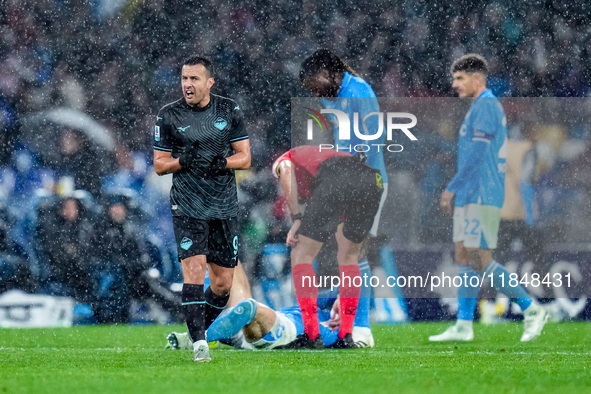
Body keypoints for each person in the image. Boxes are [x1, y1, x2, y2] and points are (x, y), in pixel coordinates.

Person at [429, 54, 549, 343]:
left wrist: (452, 186)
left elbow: (478, 154)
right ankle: (463, 325)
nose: (454, 84)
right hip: (471, 193)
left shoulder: (486, 106)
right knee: (463, 254)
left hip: (482, 193)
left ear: (477, 79)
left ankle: (531, 309)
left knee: (480, 258)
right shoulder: (476, 107)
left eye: (459, 78)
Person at [299, 49, 406, 335]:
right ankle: (348, 318)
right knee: (345, 254)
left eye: (316, 81)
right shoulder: (329, 96)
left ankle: (361, 327)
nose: (315, 89)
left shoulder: (360, 90)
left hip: (368, 182)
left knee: (356, 253)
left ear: (331, 72)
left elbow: (376, 136)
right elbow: (342, 139)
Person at [153, 55, 251, 362]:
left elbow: (245, 158)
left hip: (223, 206)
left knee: (222, 283)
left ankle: (196, 333)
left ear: (209, 82)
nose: (187, 85)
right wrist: (183, 161)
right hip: (187, 205)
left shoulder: (228, 109)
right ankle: (199, 346)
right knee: (193, 270)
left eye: (194, 79)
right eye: (184, 78)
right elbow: (159, 165)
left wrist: (221, 162)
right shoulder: (168, 115)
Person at [272, 145, 382, 348]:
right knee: (349, 258)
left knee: (301, 255)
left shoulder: (286, 158)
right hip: (371, 180)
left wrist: (296, 217)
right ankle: (346, 335)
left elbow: (286, 170)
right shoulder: (324, 158)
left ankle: (312, 335)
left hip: (337, 178)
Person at [165, 262, 374, 351]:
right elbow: (342, 289)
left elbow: (360, 282)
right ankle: (220, 334)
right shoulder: (325, 307)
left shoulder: (344, 334)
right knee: (229, 260)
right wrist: (338, 298)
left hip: (285, 331)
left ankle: (194, 339)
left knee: (249, 308)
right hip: (272, 321)